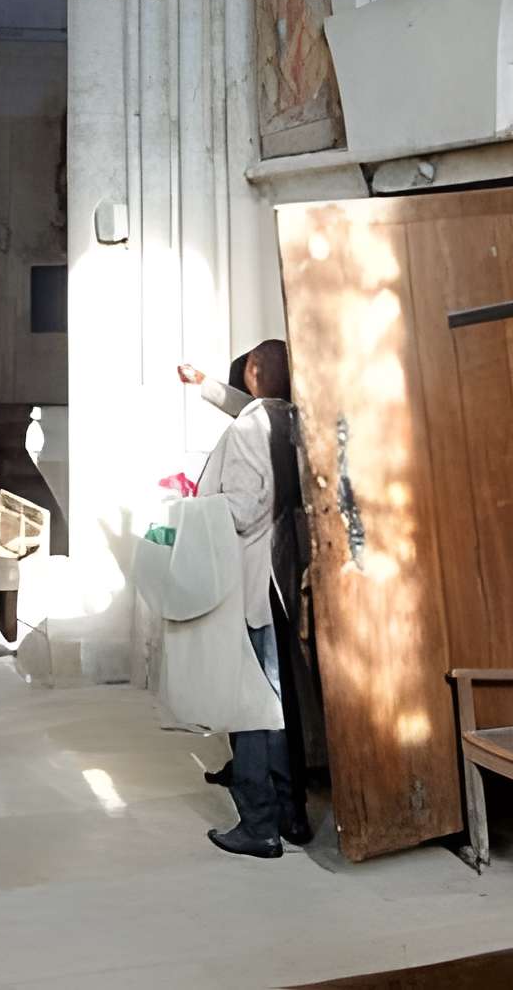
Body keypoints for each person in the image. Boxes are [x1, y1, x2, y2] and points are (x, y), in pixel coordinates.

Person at [194, 337, 314, 858]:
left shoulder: (248, 429)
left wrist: (195, 506)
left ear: (255, 369)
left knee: (250, 703)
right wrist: (206, 387)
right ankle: (291, 815)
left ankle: (259, 822)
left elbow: (241, 510)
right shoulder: (289, 419)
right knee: (277, 699)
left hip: (250, 575)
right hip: (281, 577)